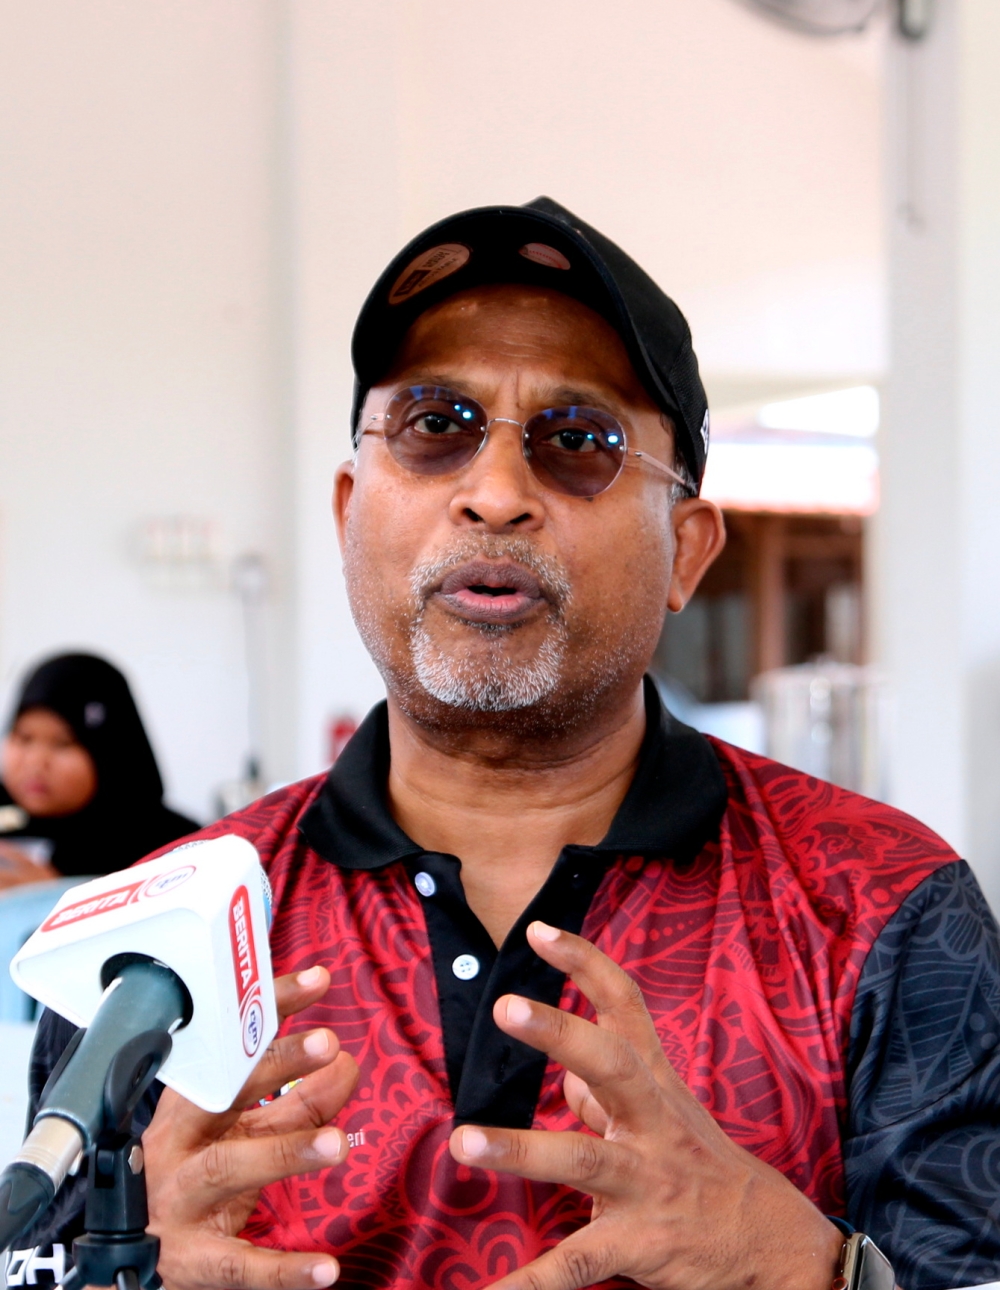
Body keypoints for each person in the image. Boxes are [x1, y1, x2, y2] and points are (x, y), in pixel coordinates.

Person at [20, 200, 1000, 1290]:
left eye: (578, 442)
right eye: (435, 426)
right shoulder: (152, 945)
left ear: (686, 550)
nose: (494, 495)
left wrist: (827, 1273)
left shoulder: (883, 908)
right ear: (350, 513)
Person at [0, 652, 198, 888]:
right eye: (24, 738)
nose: (35, 762)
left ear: (109, 752)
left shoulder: (173, 849)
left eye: (63, 743)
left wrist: (54, 896)